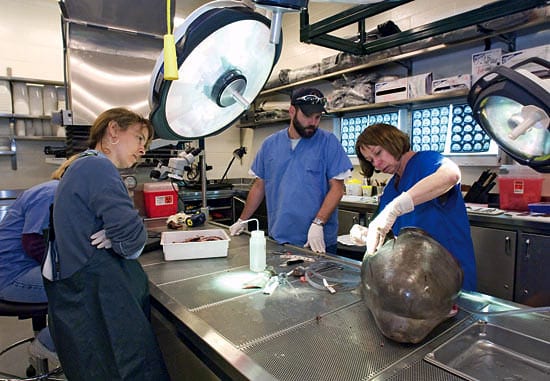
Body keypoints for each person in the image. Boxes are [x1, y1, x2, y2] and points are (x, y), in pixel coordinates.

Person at [43, 108, 170, 380]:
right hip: (100, 302)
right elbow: (133, 243)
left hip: (85, 298)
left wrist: (115, 235)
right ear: (113, 130)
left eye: (145, 144)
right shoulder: (98, 166)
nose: (142, 149)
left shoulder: (79, 166)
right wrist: (121, 237)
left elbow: (120, 233)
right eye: (138, 138)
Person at [349, 123, 477, 291]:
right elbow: (389, 231)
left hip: (449, 276)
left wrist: (396, 207)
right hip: (416, 281)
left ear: (392, 141)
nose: (377, 164)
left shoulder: (425, 162)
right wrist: (366, 233)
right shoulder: (391, 187)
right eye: (371, 161)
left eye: (378, 153)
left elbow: (451, 175)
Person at [230, 87, 353, 254]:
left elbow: (337, 189)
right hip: (279, 238)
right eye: (307, 116)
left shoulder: (328, 142)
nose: (313, 122)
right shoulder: (270, 145)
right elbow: (259, 186)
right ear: (292, 111)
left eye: (317, 117)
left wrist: (318, 223)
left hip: (316, 242)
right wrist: (243, 220)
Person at [0, 154, 78, 363]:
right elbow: (33, 243)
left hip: (22, 269)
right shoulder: (52, 192)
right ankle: (47, 343)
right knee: (88, 289)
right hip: (11, 277)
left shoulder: (59, 192)